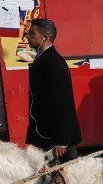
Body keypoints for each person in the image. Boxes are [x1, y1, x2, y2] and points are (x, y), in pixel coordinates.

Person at [25, 18, 82, 160]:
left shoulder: (54, 64)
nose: (27, 36)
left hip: (57, 141)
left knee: (66, 176)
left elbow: (62, 103)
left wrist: (61, 141)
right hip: (47, 133)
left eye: (32, 33)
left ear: (44, 37)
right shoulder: (43, 60)